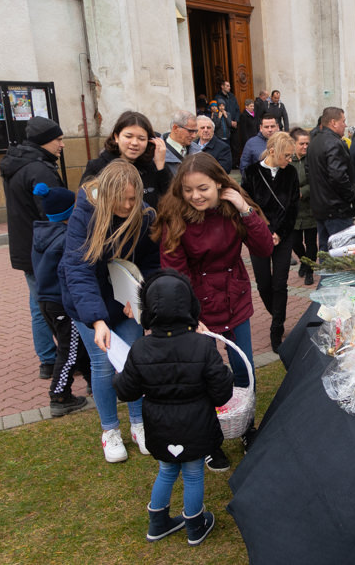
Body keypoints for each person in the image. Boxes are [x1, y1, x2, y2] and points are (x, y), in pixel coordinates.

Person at [154, 151, 273, 466]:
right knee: (202, 374)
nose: (195, 196)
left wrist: (245, 209)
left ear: (219, 185)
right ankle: (209, 438)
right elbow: (173, 273)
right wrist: (189, 316)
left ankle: (247, 425)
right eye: (188, 190)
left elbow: (264, 247)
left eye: (203, 188)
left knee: (243, 367)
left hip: (234, 297)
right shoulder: (174, 217)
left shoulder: (233, 209)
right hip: (196, 305)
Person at [114, 269, 233, 546]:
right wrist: (224, 372)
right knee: (192, 473)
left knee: (166, 470)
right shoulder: (203, 346)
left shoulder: (141, 348)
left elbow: (127, 390)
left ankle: (158, 523)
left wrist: (117, 377)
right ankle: (194, 524)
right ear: (191, 305)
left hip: (159, 424)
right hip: (196, 424)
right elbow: (221, 392)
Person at [59, 159, 161, 463]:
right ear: (105, 194)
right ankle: (110, 430)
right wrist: (97, 320)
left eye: (133, 199)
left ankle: (139, 425)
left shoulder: (144, 215)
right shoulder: (85, 213)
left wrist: (141, 298)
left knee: (132, 360)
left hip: (124, 303)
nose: (128, 205)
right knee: (103, 364)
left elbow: (151, 263)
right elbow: (78, 269)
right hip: (86, 303)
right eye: (121, 200)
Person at [0, 115, 64, 380]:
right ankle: (54, 359)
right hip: (43, 249)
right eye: (58, 139)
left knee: (37, 304)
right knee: (50, 305)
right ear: (44, 141)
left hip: (27, 247)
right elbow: (54, 212)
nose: (62, 144)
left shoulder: (19, 163)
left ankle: (47, 359)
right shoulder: (39, 169)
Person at [30, 182, 90, 416]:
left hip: (45, 299)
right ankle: (59, 395)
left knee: (79, 344)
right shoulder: (67, 239)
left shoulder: (42, 233)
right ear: (70, 212)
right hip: (61, 300)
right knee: (69, 349)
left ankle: (92, 381)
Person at [242, 132, 300, 351]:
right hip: (259, 237)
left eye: (291, 156)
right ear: (273, 151)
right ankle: (277, 313)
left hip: (283, 236)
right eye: (287, 155)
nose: (290, 160)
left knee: (280, 283)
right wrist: (264, 232)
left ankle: (277, 328)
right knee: (264, 284)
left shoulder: (291, 173)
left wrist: (280, 233)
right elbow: (246, 207)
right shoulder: (251, 173)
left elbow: (293, 207)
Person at [81, 111, 171, 209]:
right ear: (116, 137)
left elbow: (171, 202)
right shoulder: (97, 167)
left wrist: (161, 166)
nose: (135, 143)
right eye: (128, 136)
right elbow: (83, 206)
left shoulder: (153, 168)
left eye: (141, 138)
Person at [307, 106, 355, 250]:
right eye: (343, 121)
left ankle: (326, 274)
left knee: (325, 250)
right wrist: (351, 195)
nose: (345, 125)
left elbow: (310, 171)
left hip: (321, 207)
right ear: (334, 122)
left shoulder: (314, 142)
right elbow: (338, 175)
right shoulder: (334, 143)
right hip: (336, 209)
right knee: (342, 252)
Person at [290, 128, 316, 285]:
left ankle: (310, 271)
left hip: (311, 207)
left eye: (307, 143)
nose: (305, 147)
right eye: (301, 144)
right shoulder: (287, 160)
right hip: (293, 210)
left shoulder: (312, 160)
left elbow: (317, 181)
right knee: (295, 242)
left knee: (312, 243)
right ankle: (304, 262)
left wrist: (303, 191)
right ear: (293, 144)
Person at [162, 111, 202, 177]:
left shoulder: (197, 150)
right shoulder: (157, 152)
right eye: (190, 131)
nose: (194, 136)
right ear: (175, 128)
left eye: (196, 131)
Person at [214, 80, 241, 163]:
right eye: (227, 86)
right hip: (224, 126)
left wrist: (236, 120)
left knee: (235, 145)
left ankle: (235, 163)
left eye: (229, 86)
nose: (230, 87)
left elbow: (237, 109)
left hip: (234, 124)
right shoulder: (218, 97)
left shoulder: (232, 96)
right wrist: (229, 120)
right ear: (222, 87)